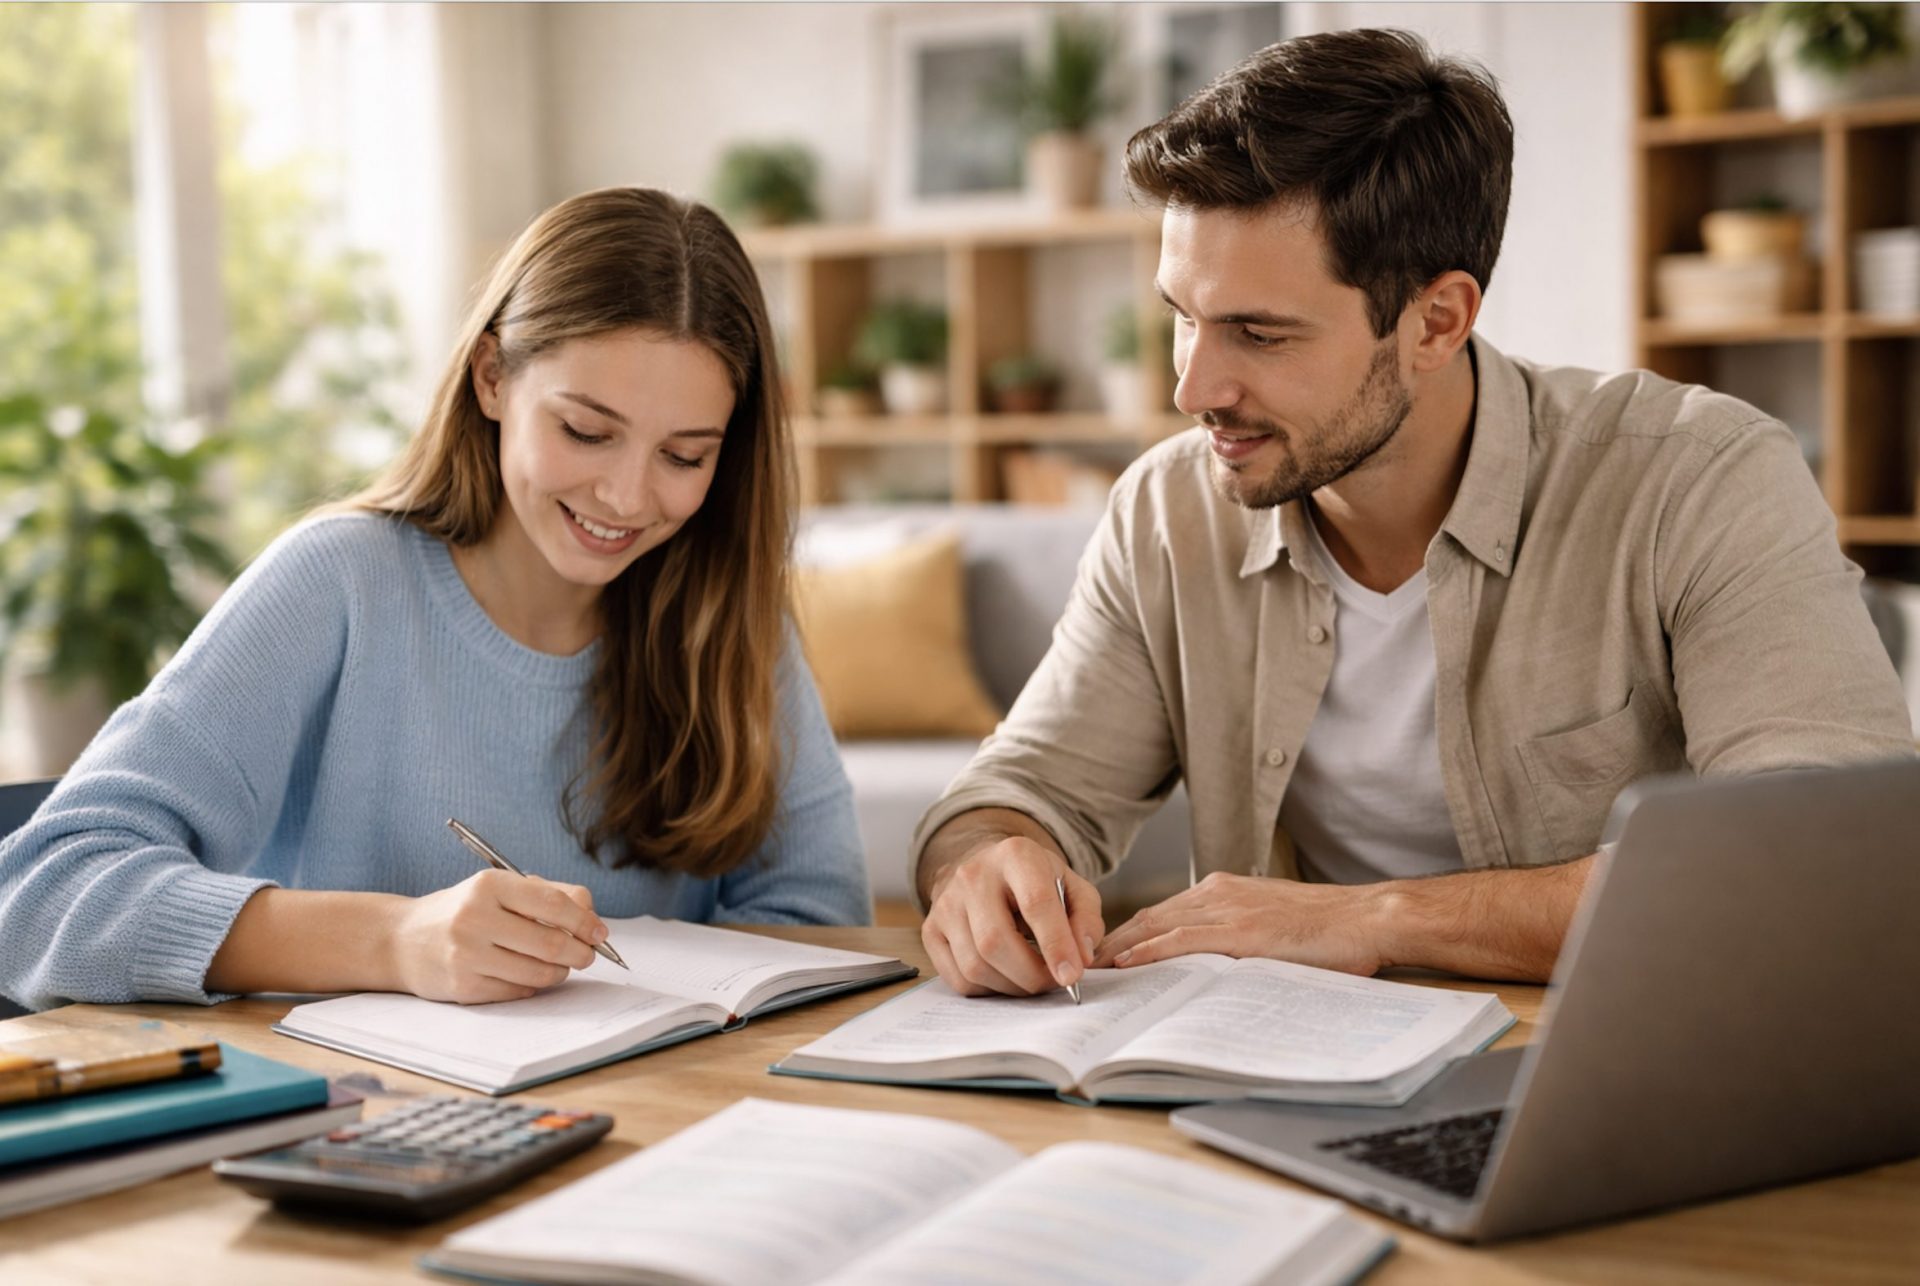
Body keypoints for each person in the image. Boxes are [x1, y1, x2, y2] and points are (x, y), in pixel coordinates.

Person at [913, 29, 1914, 998]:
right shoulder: (1168, 512)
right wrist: (990, 861)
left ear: (1437, 320)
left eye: (1257, 333)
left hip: (1614, 1062)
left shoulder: (1696, 478)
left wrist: (1376, 920)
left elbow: (1827, 864)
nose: (1193, 386)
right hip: (1284, 1067)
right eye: (1184, 316)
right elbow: (1020, 790)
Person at [0, 187, 869, 1012]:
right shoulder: (337, 583)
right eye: (586, 431)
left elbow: (819, 925)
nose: (628, 497)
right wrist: (394, 939)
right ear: (493, 376)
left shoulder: (725, 616)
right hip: (356, 1126)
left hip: (640, 1124)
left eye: (685, 455)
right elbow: (40, 896)